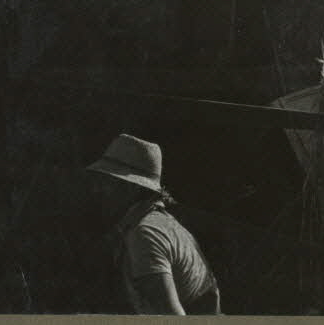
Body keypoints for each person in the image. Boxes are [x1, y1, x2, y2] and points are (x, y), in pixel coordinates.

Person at [86, 133, 222, 315]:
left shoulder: (145, 234)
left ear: (130, 188)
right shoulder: (155, 221)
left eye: (106, 182)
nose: (97, 190)